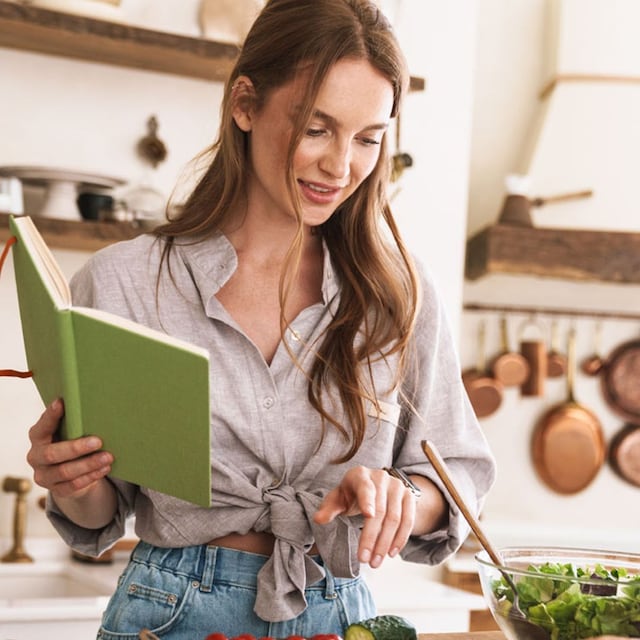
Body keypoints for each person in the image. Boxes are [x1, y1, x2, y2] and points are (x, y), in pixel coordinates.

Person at [25, 0, 496, 638]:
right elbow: (102, 510)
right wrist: (71, 479)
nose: (340, 166)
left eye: (368, 138)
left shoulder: (402, 294)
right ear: (246, 104)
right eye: (316, 128)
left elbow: (455, 473)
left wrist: (401, 502)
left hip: (339, 610)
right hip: (170, 614)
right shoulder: (122, 282)